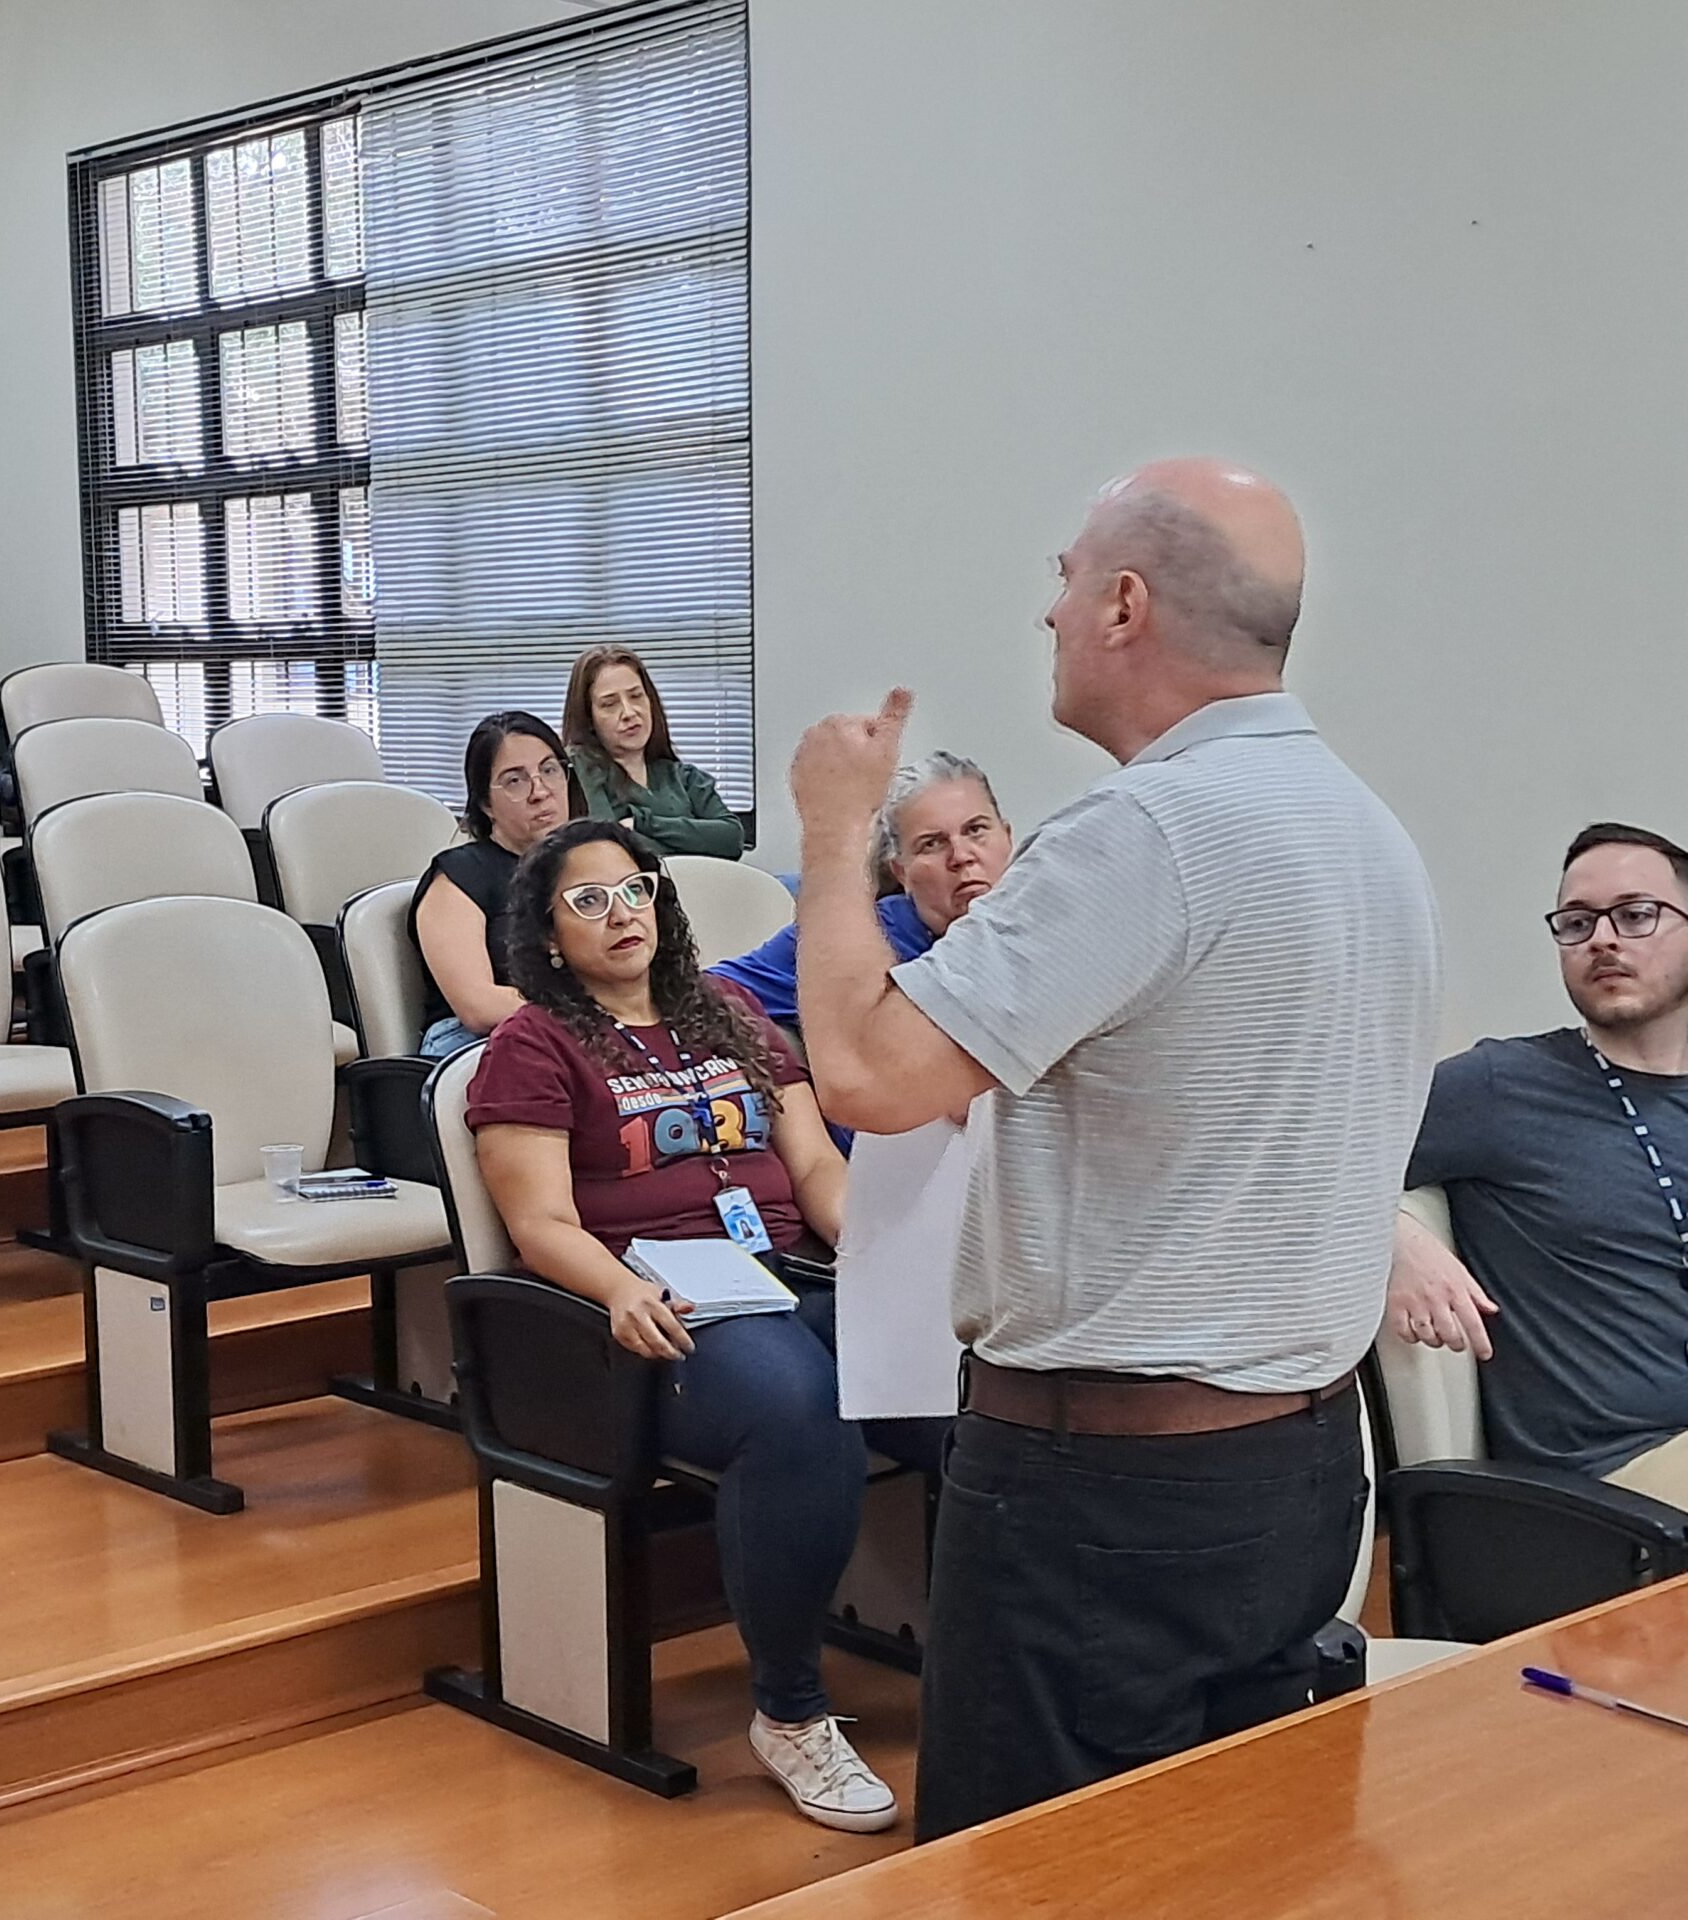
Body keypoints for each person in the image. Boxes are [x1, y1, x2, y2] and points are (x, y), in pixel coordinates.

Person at [787, 459, 1441, 1840]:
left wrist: (835, 832)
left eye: (1067, 579)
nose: (1051, 613)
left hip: (1109, 1493)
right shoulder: (1366, 826)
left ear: (1125, 606)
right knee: (1224, 1861)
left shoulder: (1145, 829)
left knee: (1037, 1872)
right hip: (1302, 1464)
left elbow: (865, 1075)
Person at [466, 818, 947, 1832]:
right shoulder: (532, 1043)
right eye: (588, 900)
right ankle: (791, 1712)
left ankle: (986, 1653)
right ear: (548, 934)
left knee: (957, 1390)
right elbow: (539, 1221)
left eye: (634, 889)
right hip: (663, 1305)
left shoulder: (729, 1011)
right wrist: (617, 1290)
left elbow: (813, 1165)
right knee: (800, 1412)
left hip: (789, 1270)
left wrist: (881, 1252)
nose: (621, 913)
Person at [1386, 822, 1688, 1507]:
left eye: (1636, 915)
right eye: (1578, 923)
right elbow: (1302, 1155)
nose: (1603, 939)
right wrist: (1390, 1237)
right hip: (1607, 1483)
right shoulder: (1501, 1087)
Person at [713, 751, 1012, 1030]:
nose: (961, 856)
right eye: (932, 844)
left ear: (1008, 838)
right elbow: (707, 995)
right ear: (901, 872)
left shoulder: (1026, 924)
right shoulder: (871, 939)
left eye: (976, 830)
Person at [411, 711, 577, 1057]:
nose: (540, 792)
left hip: (575, 1029)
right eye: (515, 781)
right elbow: (477, 1006)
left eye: (549, 770)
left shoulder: (586, 864)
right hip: (476, 1042)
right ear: (486, 803)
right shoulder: (460, 875)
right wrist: (593, 1008)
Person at [563, 645, 744, 858]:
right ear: (588, 717)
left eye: (636, 696)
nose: (629, 712)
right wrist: (693, 842)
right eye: (610, 704)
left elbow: (731, 839)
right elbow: (610, 849)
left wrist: (643, 823)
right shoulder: (580, 767)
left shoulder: (685, 778)